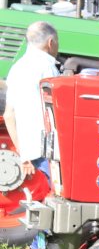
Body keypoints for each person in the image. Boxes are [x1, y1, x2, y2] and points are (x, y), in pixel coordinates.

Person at [2, 22, 61, 179]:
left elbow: (9, 115)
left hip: (31, 151)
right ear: (51, 42)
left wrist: (23, 154)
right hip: (50, 150)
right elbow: (57, 112)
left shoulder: (17, 68)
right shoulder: (47, 68)